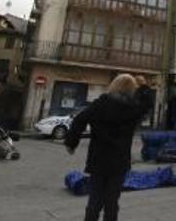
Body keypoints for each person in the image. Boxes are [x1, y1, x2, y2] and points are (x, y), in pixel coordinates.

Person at [65, 74, 152, 221]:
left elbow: (79, 120)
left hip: (98, 160)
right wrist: (143, 86)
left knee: (94, 200)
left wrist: (71, 143)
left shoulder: (100, 104)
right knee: (112, 202)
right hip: (119, 162)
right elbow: (147, 103)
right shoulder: (132, 109)